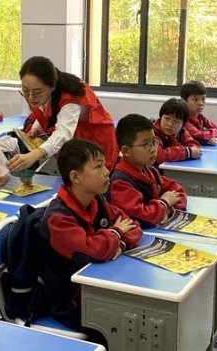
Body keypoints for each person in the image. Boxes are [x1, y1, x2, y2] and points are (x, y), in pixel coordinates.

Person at [38, 139, 142, 331]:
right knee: (126, 326)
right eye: (98, 167)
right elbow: (91, 251)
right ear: (75, 177)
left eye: (104, 165)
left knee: (135, 313)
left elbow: (133, 226)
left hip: (99, 289)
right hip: (71, 303)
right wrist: (116, 233)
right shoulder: (58, 218)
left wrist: (119, 244)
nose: (107, 172)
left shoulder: (97, 200)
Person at [6, 56, 118, 174]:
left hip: (96, 144)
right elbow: (46, 110)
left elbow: (63, 134)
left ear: (52, 86)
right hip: (77, 144)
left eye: (37, 92)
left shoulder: (70, 98)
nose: (30, 97)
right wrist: (36, 128)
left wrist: (34, 155)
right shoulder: (44, 93)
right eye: (25, 90)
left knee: (91, 179)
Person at [108, 114, 187, 227]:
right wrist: (164, 203)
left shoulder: (150, 171)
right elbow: (141, 218)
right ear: (126, 151)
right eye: (146, 144)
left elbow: (177, 191)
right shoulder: (120, 182)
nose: (153, 149)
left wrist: (168, 210)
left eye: (154, 142)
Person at [180, 80, 217, 145]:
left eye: (203, 99)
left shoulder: (201, 117)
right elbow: (200, 136)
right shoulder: (182, 119)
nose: (200, 103)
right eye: (195, 99)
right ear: (184, 101)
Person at [153, 98, 202, 164]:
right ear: (161, 117)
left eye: (176, 121)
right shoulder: (152, 133)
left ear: (183, 124)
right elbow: (158, 155)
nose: (170, 124)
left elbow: (195, 147)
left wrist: (187, 151)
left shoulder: (181, 132)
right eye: (167, 118)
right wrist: (186, 152)